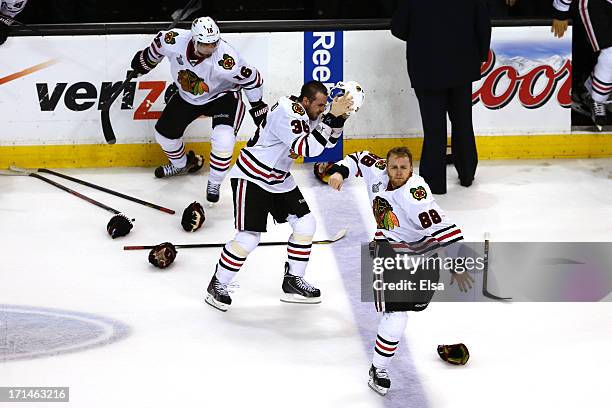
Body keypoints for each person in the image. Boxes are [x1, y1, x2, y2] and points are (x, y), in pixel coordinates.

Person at [326, 147, 473, 395]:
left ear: (411, 169)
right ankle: (378, 368)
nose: (398, 172)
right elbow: (358, 158)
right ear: (386, 165)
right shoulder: (377, 171)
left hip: (422, 253)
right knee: (397, 314)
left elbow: (444, 228)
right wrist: (340, 172)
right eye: (393, 167)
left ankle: (387, 339)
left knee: (413, 307)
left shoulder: (416, 196)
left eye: (403, 168)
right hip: (389, 247)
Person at [204, 80, 354, 312]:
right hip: (252, 176)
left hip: (278, 178)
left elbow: (328, 142)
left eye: (325, 107)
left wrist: (339, 119)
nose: (322, 110)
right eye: (320, 105)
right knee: (248, 238)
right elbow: (308, 150)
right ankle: (218, 284)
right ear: (305, 101)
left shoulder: (308, 113)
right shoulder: (288, 111)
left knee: (305, 224)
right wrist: (331, 118)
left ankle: (293, 281)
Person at [130, 17, 268, 203]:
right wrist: (143, 63)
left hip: (223, 96)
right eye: (204, 45)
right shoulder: (174, 39)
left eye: (214, 44)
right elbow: (157, 47)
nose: (210, 49)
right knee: (164, 136)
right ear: (193, 40)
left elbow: (252, 78)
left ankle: (215, 183)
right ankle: (182, 165)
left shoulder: (227, 59)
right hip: (188, 96)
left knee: (224, 140)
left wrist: (258, 105)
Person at [391, 0, 491, 194]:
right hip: (462, 65)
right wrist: (479, 56)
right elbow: (483, 24)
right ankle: (467, 173)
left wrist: (423, 35)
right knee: (462, 121)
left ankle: (434, 182)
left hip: (426, 66)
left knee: (434, 127)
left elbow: (398, 28)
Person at [552, 0, 612, 130]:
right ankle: (598, 100)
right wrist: (561, 11)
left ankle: (591, 87)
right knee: (610, 53)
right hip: (592, 3)